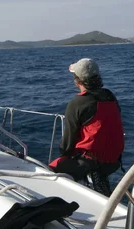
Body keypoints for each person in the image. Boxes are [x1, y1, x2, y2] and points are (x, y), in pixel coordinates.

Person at [49, 58, 124, 187]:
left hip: (90, 164)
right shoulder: (110, 96)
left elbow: (67, 146)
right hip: (113, 162)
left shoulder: (77, 104)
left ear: (77, 81)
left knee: (50, 171)